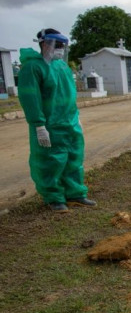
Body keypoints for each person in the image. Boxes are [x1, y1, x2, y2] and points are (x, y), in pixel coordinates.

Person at [17, 28, 96, 213]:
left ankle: (75, 194)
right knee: (50, 161)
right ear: (44, 44)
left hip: (69, 123)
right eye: (57, 45)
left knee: (74, 158)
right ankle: (54, 197)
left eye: (62, 45)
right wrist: (38, 125)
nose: (60, 49)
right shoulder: (33, 68)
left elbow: (69, 95)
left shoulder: (62, 67)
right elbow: (30, 98)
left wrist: (76, 118)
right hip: (49, 125)